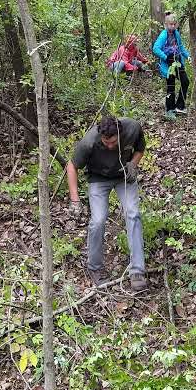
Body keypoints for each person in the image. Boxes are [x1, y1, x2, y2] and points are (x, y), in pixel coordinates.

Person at [66, 115, 147, 291]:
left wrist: (133, 164)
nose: (110, 146)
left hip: (124, 176)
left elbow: (140, 148)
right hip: (98, 179)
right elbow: (72, 166)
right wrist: (75, 200)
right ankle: (95, 268)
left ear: (120, 133)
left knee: (133, 214)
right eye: (106, 142)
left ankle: (137, 271)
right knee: (98, 220)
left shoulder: (132, 128)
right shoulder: (89, 141)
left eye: (113, 142)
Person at [152, 12, 191, 120]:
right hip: (168, 65)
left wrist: (188, 56)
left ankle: (180, 106)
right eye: (170, 24)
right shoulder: (163, 35)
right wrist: (165, 57)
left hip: (177, 62)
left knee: (185, 81)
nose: (172, 26)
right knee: (171, 87)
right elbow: (155, 48)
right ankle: (170, 110)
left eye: (174, 24)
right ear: (166, 24)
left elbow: (181, 47)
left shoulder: (176, 34)